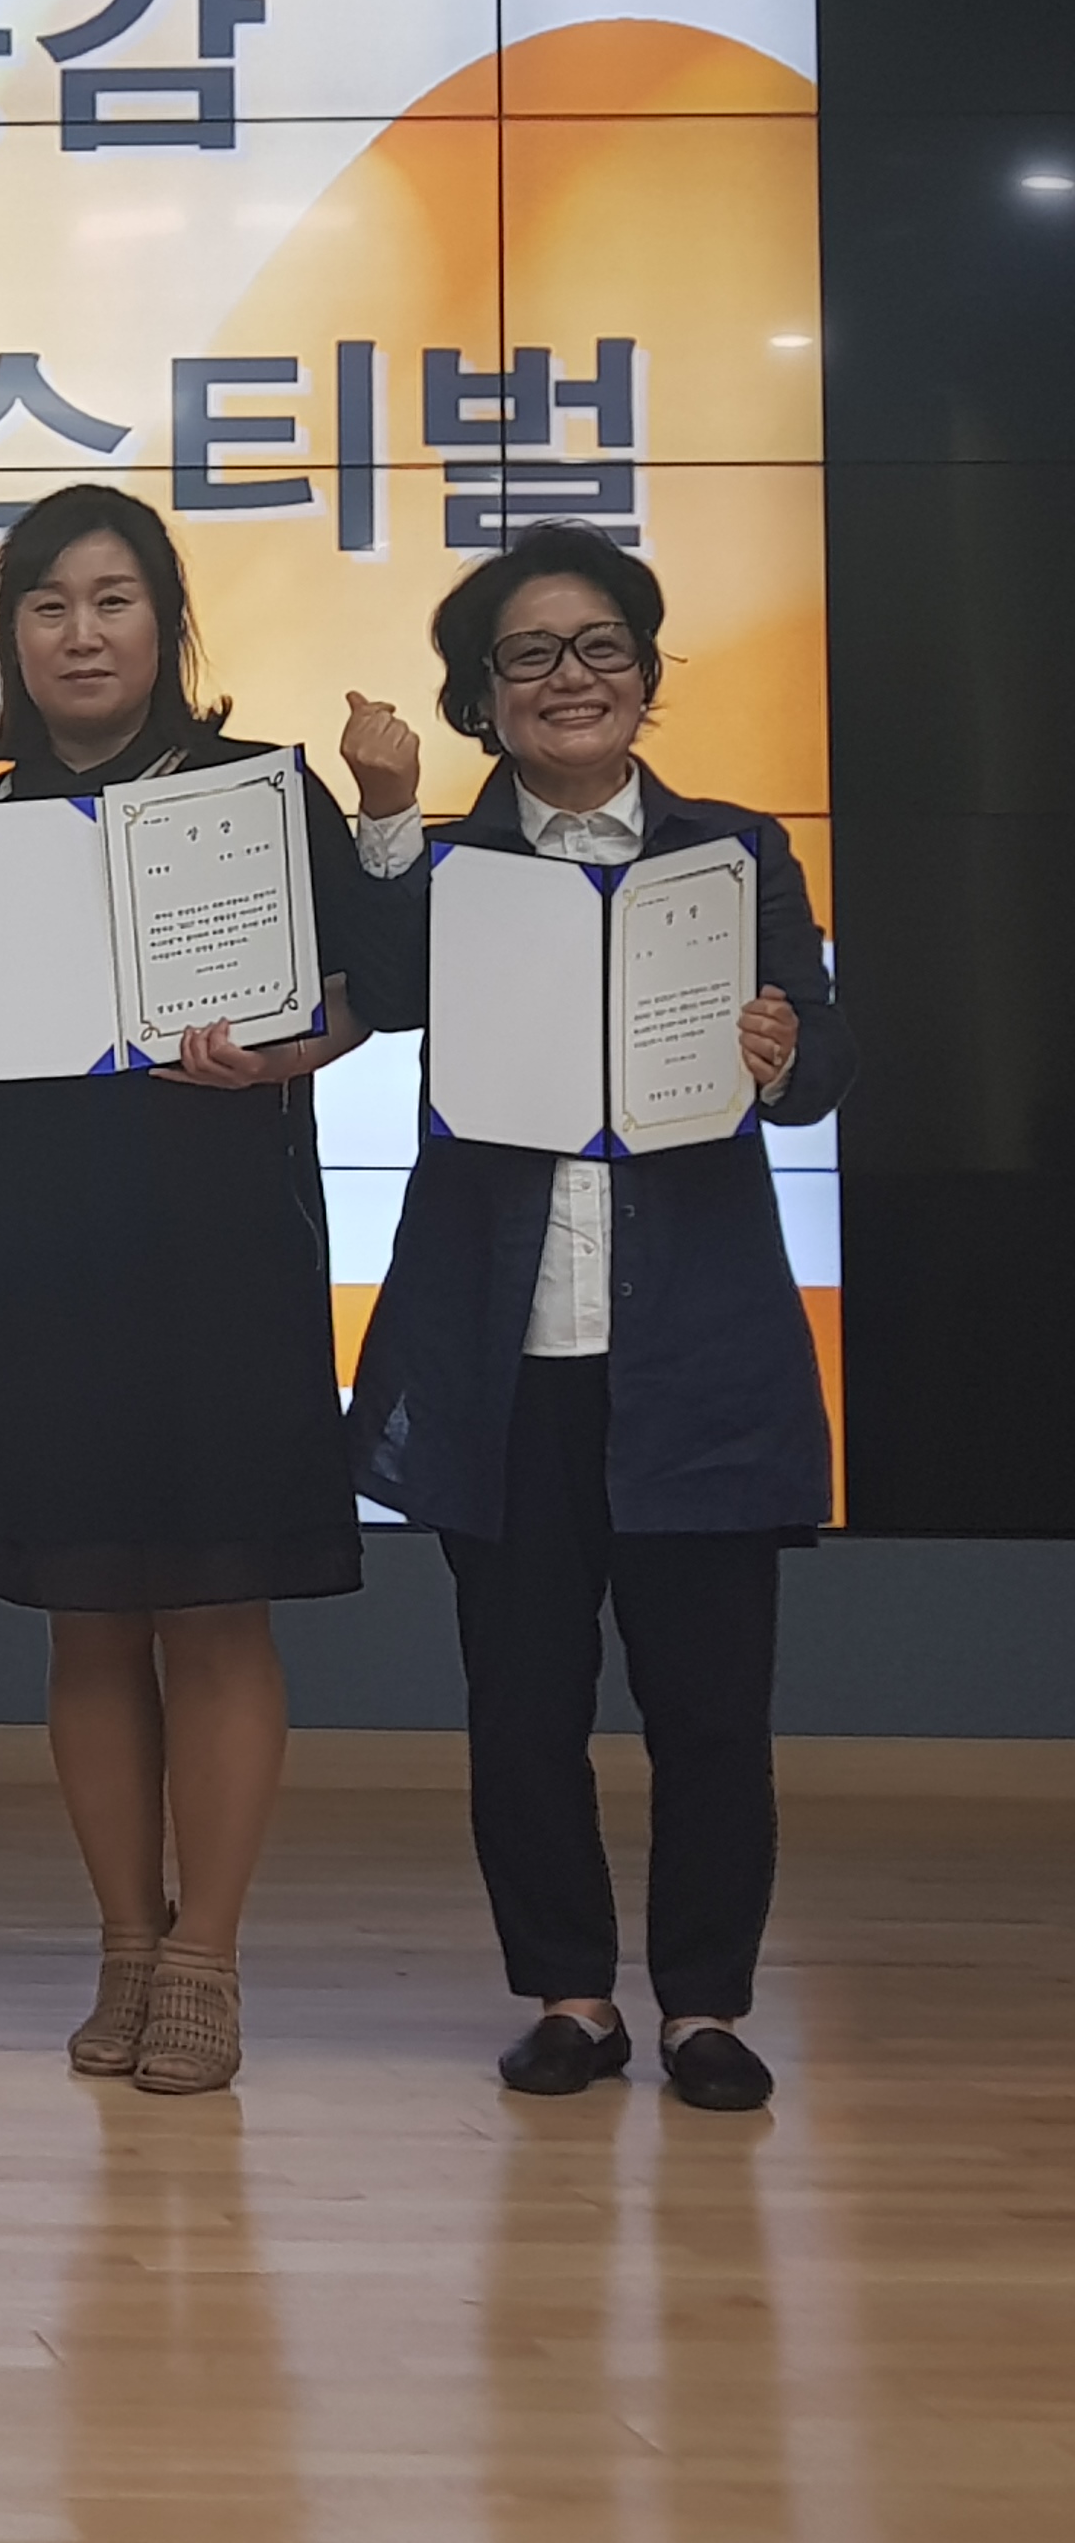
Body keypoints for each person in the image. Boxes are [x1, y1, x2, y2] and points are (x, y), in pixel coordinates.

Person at [0, 484, 389, 2093]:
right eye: (47, 604)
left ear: (164, 622)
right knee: (89, 1622)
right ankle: (127, 1941)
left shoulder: (263, 794)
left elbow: (360, 996)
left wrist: (287, 1055)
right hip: (45, 1260)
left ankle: (208, 1960)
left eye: (113, 599)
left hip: (225, 1258)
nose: (81, 632)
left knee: (218, 1610)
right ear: (12, 637)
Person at [335, 525, 848, 2114]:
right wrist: (382, 815)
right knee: (522, 1707)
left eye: (602, 644)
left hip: (696, 1353)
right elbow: (383, 996)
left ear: (644, 669)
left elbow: (822, 1071)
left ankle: (703, 2007)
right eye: (531, 655)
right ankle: (569, 1994)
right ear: (482, 697)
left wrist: (780, 1052)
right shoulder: (450, 866)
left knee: (712, 1710)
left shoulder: (734, 851)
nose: (572, 677)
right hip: (507, 1359)